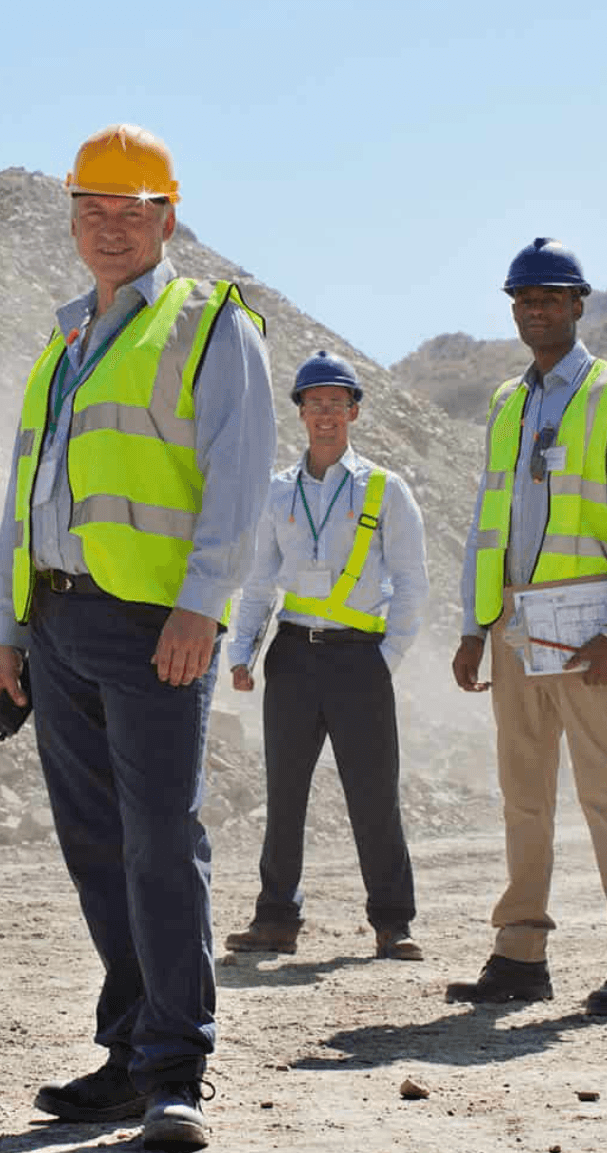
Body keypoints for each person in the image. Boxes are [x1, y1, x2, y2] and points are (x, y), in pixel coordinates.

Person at [0, 124, 275, 1153]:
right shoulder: (59, 347)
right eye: (92, 209)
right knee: (97, 846)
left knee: (157, 841)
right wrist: (6, 635)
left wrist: (201, 602)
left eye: (130, 210)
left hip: (154, 627)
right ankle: (126, 1047)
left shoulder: (206, 322)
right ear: (70, 217)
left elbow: (235, 477)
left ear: (166, 217)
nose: (109, 227)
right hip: (54, 623)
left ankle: (176, 1066)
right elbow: (27, 498)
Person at [448, 238, 607, 1015]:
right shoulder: (508, 404)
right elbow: (489, 521)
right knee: (524, 793)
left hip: (584, 625)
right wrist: (475, 625)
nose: (535, 309)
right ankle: (519, 951)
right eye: (523, 299)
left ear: (579, 305)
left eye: (550, 297)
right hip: (513, 623)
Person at [222, 351, 429, 962]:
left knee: (373, 794)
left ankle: (394, 923)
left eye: (337, 404)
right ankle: (276, 919)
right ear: (301, 414)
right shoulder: (277, 491)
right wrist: (242, 652)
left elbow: (413, 583)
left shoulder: (385, 489)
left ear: (354, 412)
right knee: (284, 792)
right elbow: (259, 581)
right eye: (315, 404)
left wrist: (382, 660)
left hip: (358, 658)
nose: (326, 415)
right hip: (291, 656)